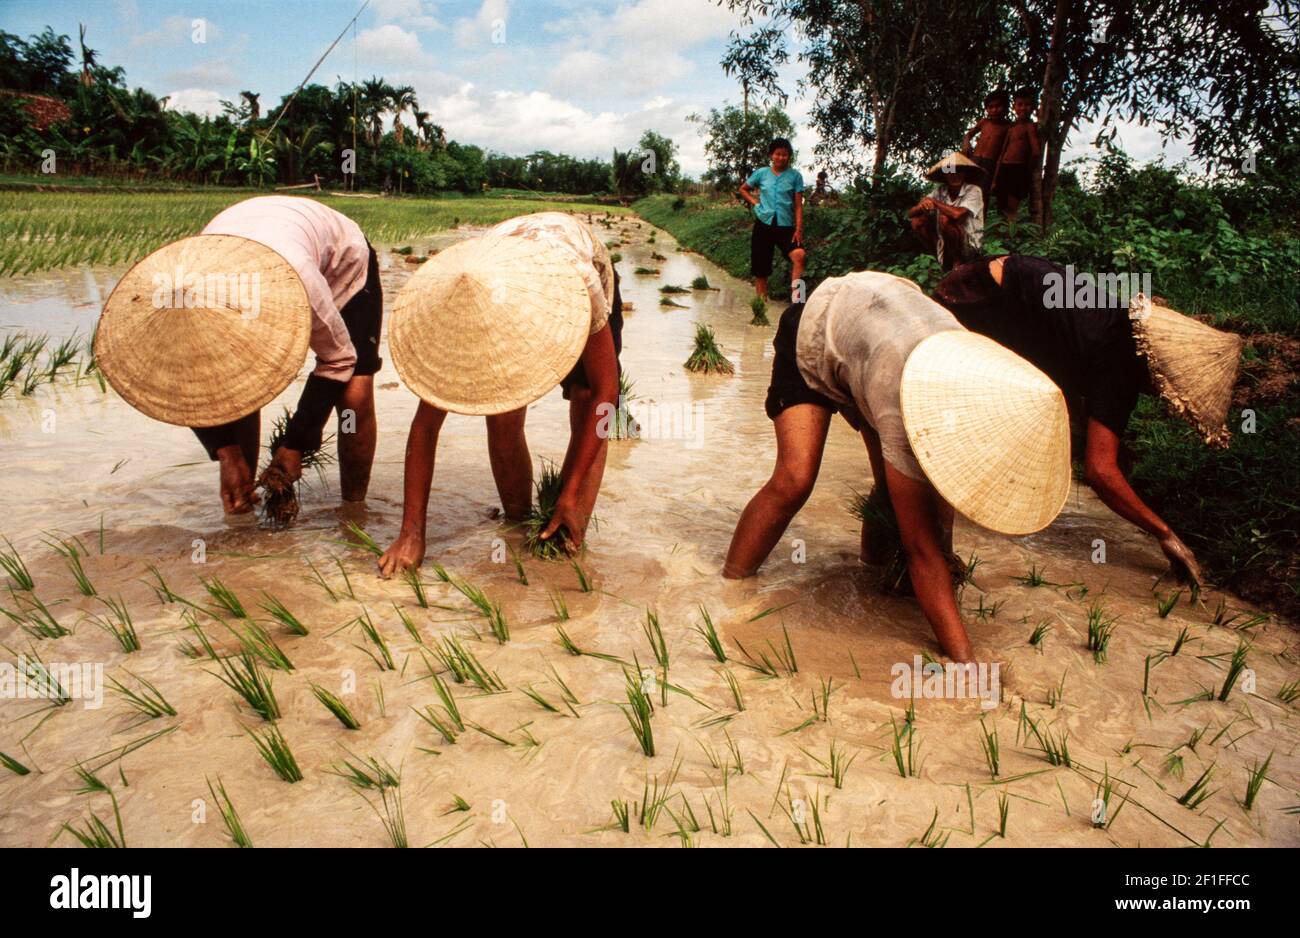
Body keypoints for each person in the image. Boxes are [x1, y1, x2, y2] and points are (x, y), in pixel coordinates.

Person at [724, 271, 1071, 663]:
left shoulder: (968, 370)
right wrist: (965, 660)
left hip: (876, 332)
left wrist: (943, 562)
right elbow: (922, 549)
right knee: (795, 479)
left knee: (895, 492)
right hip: (819, 324)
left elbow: (945, 498)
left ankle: (871, 572)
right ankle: (730, 583)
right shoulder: (904, 408)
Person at [932, 255, 1244, 586]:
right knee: (960, 416)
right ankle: (934, 542)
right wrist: (1164, 533)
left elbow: (1072, 371)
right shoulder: (1120, 372)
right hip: (979, 300)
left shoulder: (1114, 317)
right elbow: (1100, 471)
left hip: (984, 275)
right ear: (1161, 377)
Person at [94, 195, 382, 516]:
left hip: (340, 259)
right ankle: (245, 506)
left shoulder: (299, 278)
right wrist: (225, 452)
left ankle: (354, 510)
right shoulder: (183, 288)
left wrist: (297, 443)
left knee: (355, 392)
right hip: (250, 237)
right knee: (238, 385)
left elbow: (339, 359)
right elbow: (184, 385)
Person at [377, 212, 621, 576]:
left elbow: (606, 393)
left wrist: (569, 494)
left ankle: (567, 537)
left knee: (586, 399)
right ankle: (519, 523)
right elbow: (425, 427)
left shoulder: (579, 280)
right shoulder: (457, 307)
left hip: (571, 270)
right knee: (501, 408)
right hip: (500, 269)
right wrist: (411, 533)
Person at [739, 138, 807, 303]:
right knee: (761, 270)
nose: (781, 158)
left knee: (800, 256)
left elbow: (798, 205)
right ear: (771, 155)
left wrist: (798, 229)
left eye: (785, 154)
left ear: (789, 156)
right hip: (764, 224)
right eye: (778, 154)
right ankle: (761, 307)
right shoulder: (762, 173)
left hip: (786, 226)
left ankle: (798, 302)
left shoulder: (795, 176)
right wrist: (755, 203)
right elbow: (743, 189)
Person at [908, 153, 985, 271]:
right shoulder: (940, 190)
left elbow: (956, 214)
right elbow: (910, 213)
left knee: (945, 219)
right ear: (945, 175)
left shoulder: (974, 190)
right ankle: (935, 260)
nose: (954, 175)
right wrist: (922, 205)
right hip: (943, 242)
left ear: (964, 173)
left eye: (958, 171)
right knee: (916, 221)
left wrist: (933, 202)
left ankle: (957, 262)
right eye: (950, 172)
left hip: (969, 245)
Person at [991, 88, 1041, 226]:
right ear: (1014, 107)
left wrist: (1026, 171)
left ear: (1032, 108)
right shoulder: (1011, 128)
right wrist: (995, 179)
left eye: (1027, 105)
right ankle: (1001, 237)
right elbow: (1001, 154)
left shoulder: (1030, 127)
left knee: (1012, 210)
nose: (1023, 108)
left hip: (1018, 170)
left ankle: (1010, 239)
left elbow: (1036, 151)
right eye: (1020, 104)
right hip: (1004, 170)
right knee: (1000, 208)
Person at [961, 89, 1012, 210]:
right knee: (965, 192)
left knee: (982, 196)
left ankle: (979, 226)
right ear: (987, 109)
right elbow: (968, 135)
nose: (994, 110)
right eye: (991, 107)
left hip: (990, 164)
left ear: (1005, 107)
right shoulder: (984, 122)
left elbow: (1003, 153)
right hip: (974, 160)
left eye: (998, 106)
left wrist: (995, 178)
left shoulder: (1008, 126)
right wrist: (966, 144)